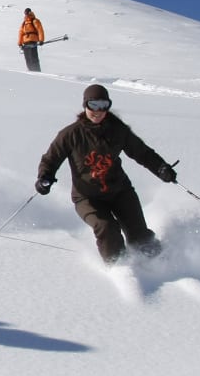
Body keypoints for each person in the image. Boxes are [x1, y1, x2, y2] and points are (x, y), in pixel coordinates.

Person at [34, 84, 178, 264]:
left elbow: (141, 152)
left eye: (104, 105)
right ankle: (119, 267)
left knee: (139, 234)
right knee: (106, 227)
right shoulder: (70, 134)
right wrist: (44, 177)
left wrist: (161, 168)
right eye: (93, 105)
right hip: (87, 197)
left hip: (120, 191)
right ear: (85, 105)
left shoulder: (118, 130)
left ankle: (163, 262)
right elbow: (50, 159)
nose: (98, 111)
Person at [18, 8, 45, 72]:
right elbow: (20, 33)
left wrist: (41, 40)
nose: (26, 14)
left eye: (27, 13)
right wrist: (20, 43)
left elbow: (40, 30)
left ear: (30, 12)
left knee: (33, 57)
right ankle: (31, 71)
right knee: (28, 59)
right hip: (25, 43)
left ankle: (37, 71)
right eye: (25, 13)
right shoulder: (23, 23)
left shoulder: (35, 20)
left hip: (33, 41)